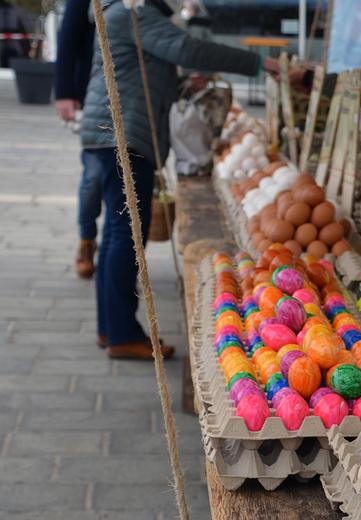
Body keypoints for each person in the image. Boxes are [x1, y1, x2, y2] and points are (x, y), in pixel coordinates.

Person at [81, 0, 278, 359]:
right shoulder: (131, 13)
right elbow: (188, 48)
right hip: (123, 134)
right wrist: (259, 63)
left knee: (117, 234)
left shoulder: (121, 13)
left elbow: (146, 71)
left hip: (115, 131)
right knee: (125, 235)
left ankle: (110, 328)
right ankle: (121, 333)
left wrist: (182, 82)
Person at [55, 0, 101, 279]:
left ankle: (116, 254)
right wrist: (63, 91)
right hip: (91, 97)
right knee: (93, 178)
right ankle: (86, 240)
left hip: (133, 102)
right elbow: (68, 37)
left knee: (125, 182)